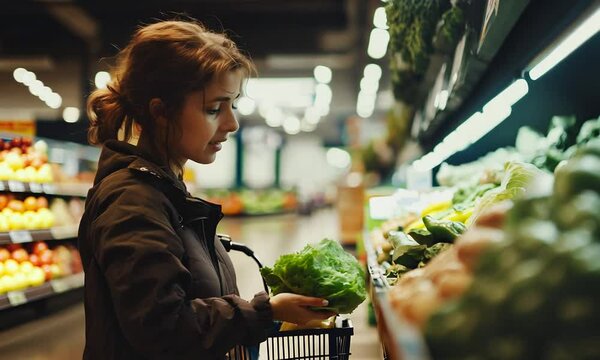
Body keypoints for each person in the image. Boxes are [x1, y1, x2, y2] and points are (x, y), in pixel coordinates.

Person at [78, 19, 335, 360]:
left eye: (233, 106)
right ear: (161, 112)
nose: (232, 124)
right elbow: (161, 327)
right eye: (214, 109)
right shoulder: (132, 201)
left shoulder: (164, 190)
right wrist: (266, 312)